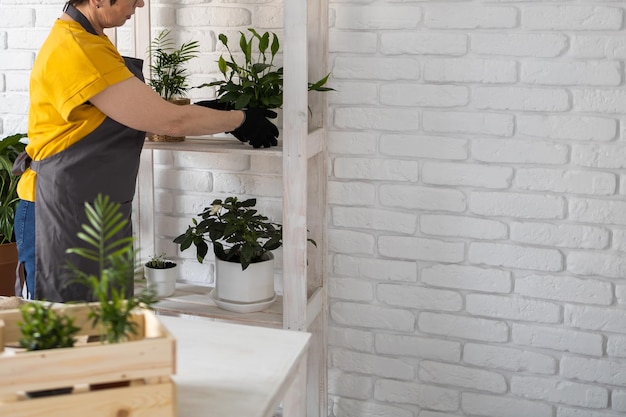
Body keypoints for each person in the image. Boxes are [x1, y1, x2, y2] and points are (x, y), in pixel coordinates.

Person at [15, 0, 279, 302]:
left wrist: (206, 111)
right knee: (67, 337)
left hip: (90, 211)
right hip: (59, 216)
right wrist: (240, 120)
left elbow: (140, 109)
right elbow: (170, 120)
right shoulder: (78, 48)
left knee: (101, 331)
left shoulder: (91, 40)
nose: (140, 3)